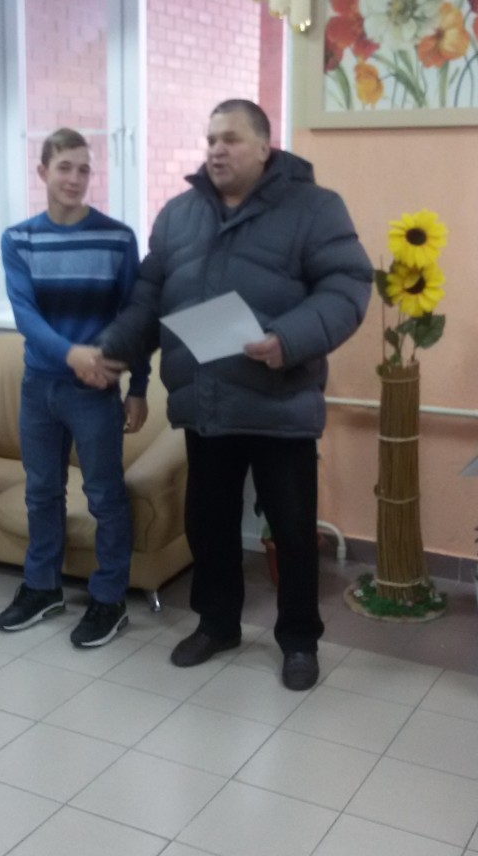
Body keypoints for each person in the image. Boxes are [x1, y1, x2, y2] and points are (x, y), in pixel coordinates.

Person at [88, 99, 373, 690]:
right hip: (206, 402)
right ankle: (217, 624)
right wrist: (116, 347)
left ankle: (299, 640)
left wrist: (287, 339)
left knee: (292, 531)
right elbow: (149, 296)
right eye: (211, 139)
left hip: (280, 401)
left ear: (264, 146)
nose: (217, 150)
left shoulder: (315, 208)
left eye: (231, 139)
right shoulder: (179, 215)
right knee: (209, 524)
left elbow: (347, 285)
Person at [0, 127, 149, 648]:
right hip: (39, 386)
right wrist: (72, 354)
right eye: (64, 167)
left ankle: (109, 599)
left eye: (84, 169)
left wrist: (138, 386)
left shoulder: (117, 238)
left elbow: (134, 317)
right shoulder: (18, 239)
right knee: (42, 492)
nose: (75, 178)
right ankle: (43, 588)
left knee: (105, 496)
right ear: (43, 172)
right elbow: (25, 315)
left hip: (96, 391)